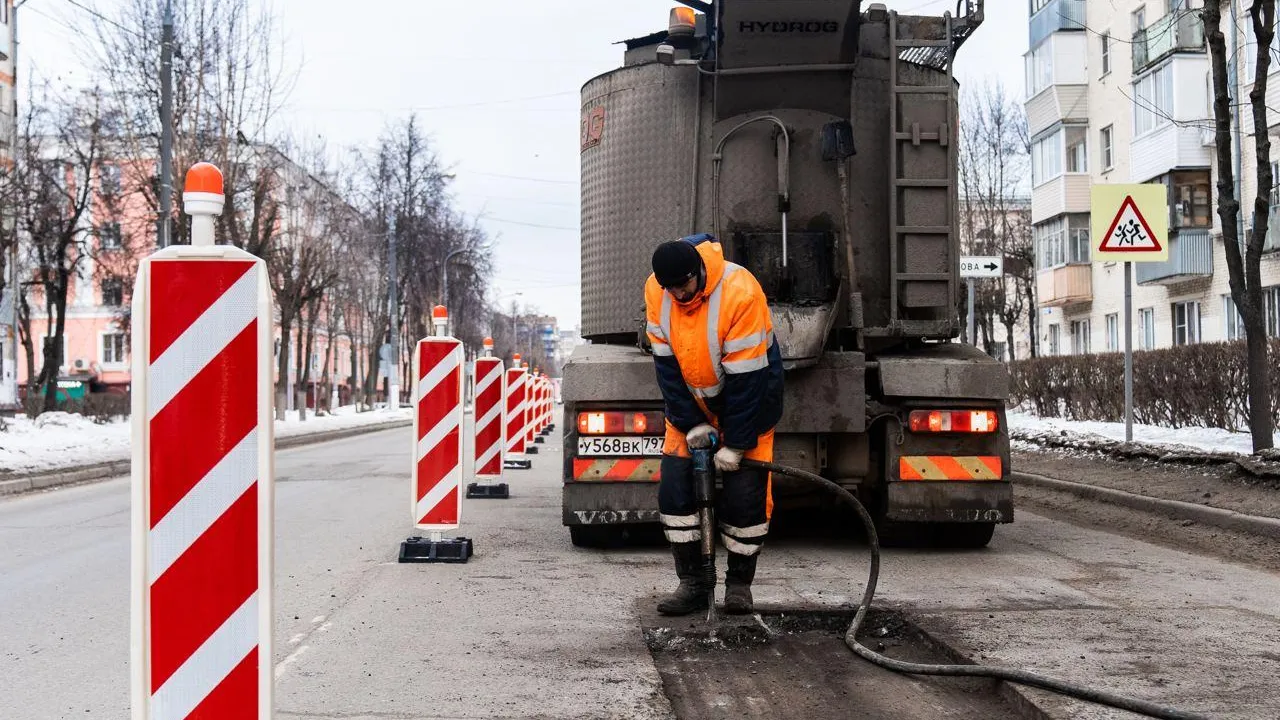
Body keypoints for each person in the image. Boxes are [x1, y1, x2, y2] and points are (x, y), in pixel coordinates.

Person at [644, 233, 784, 615]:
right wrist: (690, 422)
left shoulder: (741, 293)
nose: (678, 295)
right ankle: (693, 583)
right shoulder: (658, 292)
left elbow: (749, 380)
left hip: (751, 402)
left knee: (745, 499)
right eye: (670, 288)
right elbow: (666, 367)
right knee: (675, 493)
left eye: (683, 286)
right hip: (692, 405)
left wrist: (736, 443)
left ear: (698, 273)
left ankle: (738, 586)